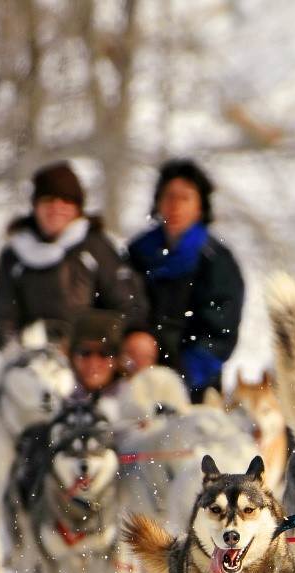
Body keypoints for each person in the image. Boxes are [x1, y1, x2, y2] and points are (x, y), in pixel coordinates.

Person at [0, 161, 147, 350]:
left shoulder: (96, 248)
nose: (56, 207)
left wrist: (92, 342)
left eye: (65, 201)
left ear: (77, 208)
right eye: (48, 200)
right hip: (31, 356)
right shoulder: (14, 256)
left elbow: (128, 307)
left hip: (91, 356)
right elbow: (2, 319)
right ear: (36, 206)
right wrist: (20, 346)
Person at [125, 159, 244, 400]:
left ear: (200, 207)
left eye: (185, 198)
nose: (175, 206)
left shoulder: (216, 261)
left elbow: (220, 332)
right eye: (169, 196)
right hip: (135, 374)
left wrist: (180, 373)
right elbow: (122, 305)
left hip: (194, 386)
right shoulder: (138, 252)